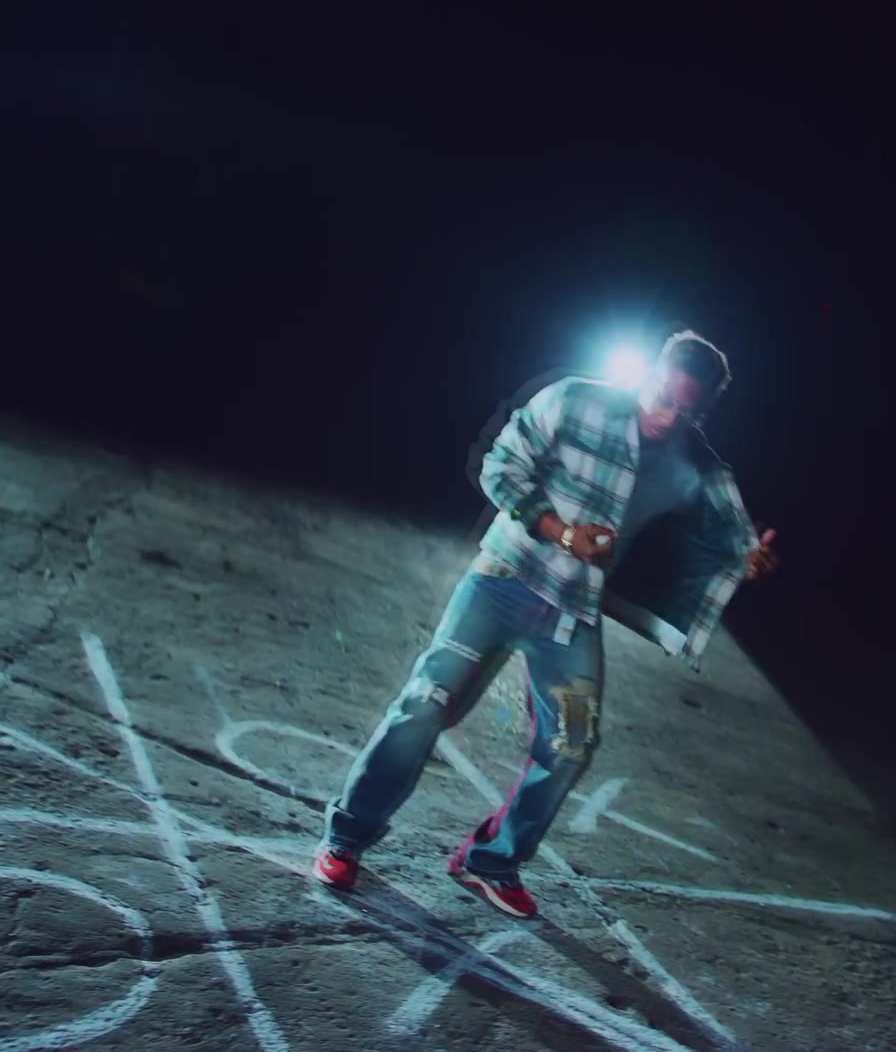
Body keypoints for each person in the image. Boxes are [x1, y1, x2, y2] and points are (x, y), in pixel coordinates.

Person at [311, 328, 779, 917]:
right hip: (502, 580)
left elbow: (733, 537)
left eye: (688, 410)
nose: (668, 418)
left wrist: (749, 560)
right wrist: (563, 533)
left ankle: (490, 861)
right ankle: (345, 837)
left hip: (571, 614)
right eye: (664, 397)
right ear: (650, 374)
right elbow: (500, 467)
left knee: (572, 742)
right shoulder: (575, 399)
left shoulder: (697, 462)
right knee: (425, 702)